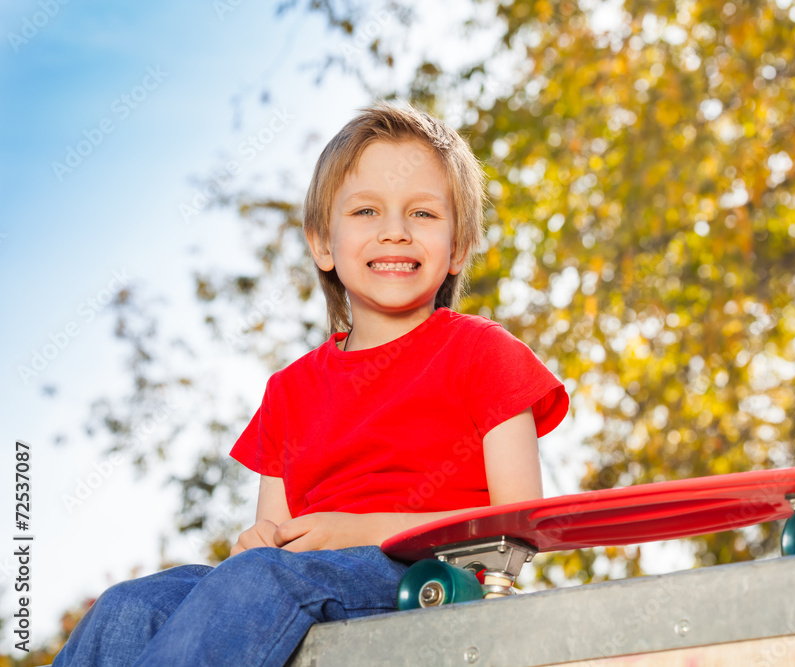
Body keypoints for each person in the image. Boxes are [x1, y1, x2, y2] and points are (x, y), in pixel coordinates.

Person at [53, 102, 569, 666]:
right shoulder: (290, 391)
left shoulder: (483, 353)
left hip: (426, 582)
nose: (394, 232)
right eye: (366, 211)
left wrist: (358, 532)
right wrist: (261, 542)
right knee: (130, 606)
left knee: (262, 582)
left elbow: (518, 525)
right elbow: (270, 537)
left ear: (459, 247)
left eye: (422, 214)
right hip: (296, 578)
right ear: (323, 243)